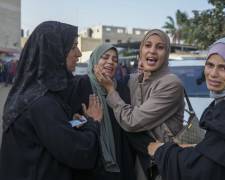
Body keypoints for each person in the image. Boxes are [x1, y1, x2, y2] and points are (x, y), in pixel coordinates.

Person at [148, 36, 225, 180]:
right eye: (210, 65)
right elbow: (222, 153)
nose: (213, 74)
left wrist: (161, 151)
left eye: (224, 68)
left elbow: (204, 169)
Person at [0, 21, 103, 180]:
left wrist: (71, 123)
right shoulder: (42, 103)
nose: (79, 53)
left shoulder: (30, 95)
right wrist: (92, 122)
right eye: (73, 46)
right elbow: (79, 151)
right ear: (54, 50)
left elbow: (47, 136)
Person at [95, 29, 185, 179]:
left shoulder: (171, 84)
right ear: (141, 50)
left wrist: (110, 90)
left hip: (162, 168)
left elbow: (132, 121)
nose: (152, 51)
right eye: (147, 45)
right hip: (139, 167)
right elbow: (115, 83)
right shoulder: (136, 80)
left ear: (167, 53)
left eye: (160, 47)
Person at [70, 44, 154, 180]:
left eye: (115, 60)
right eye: (105, 57)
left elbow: (128, 121)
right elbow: (69, 124)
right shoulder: (80, 85)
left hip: (121, 162)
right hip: (91, 166)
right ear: (95, 60)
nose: (110, 62)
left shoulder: (120, 89)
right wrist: (86, 120)